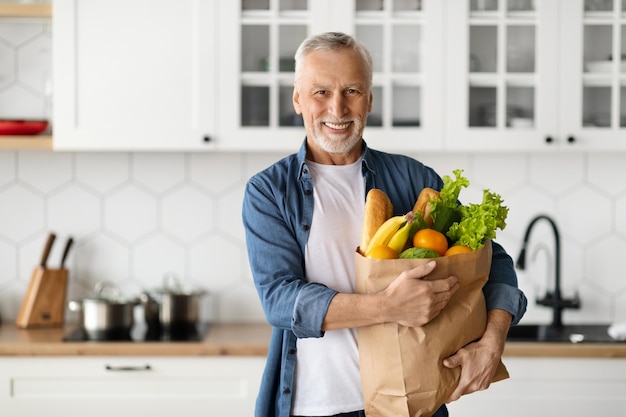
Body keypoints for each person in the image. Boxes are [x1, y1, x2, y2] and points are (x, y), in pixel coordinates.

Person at [242, 32, 527, 417]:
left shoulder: (414, 179)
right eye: (321, 92)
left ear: (370, 99)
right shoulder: (270, 192)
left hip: (413, 402)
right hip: (313, 406)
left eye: (352, 91)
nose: (338, 108)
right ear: (297, 99)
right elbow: (280, 301)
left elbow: (495, 263)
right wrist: (388, 307)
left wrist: (493, 342)